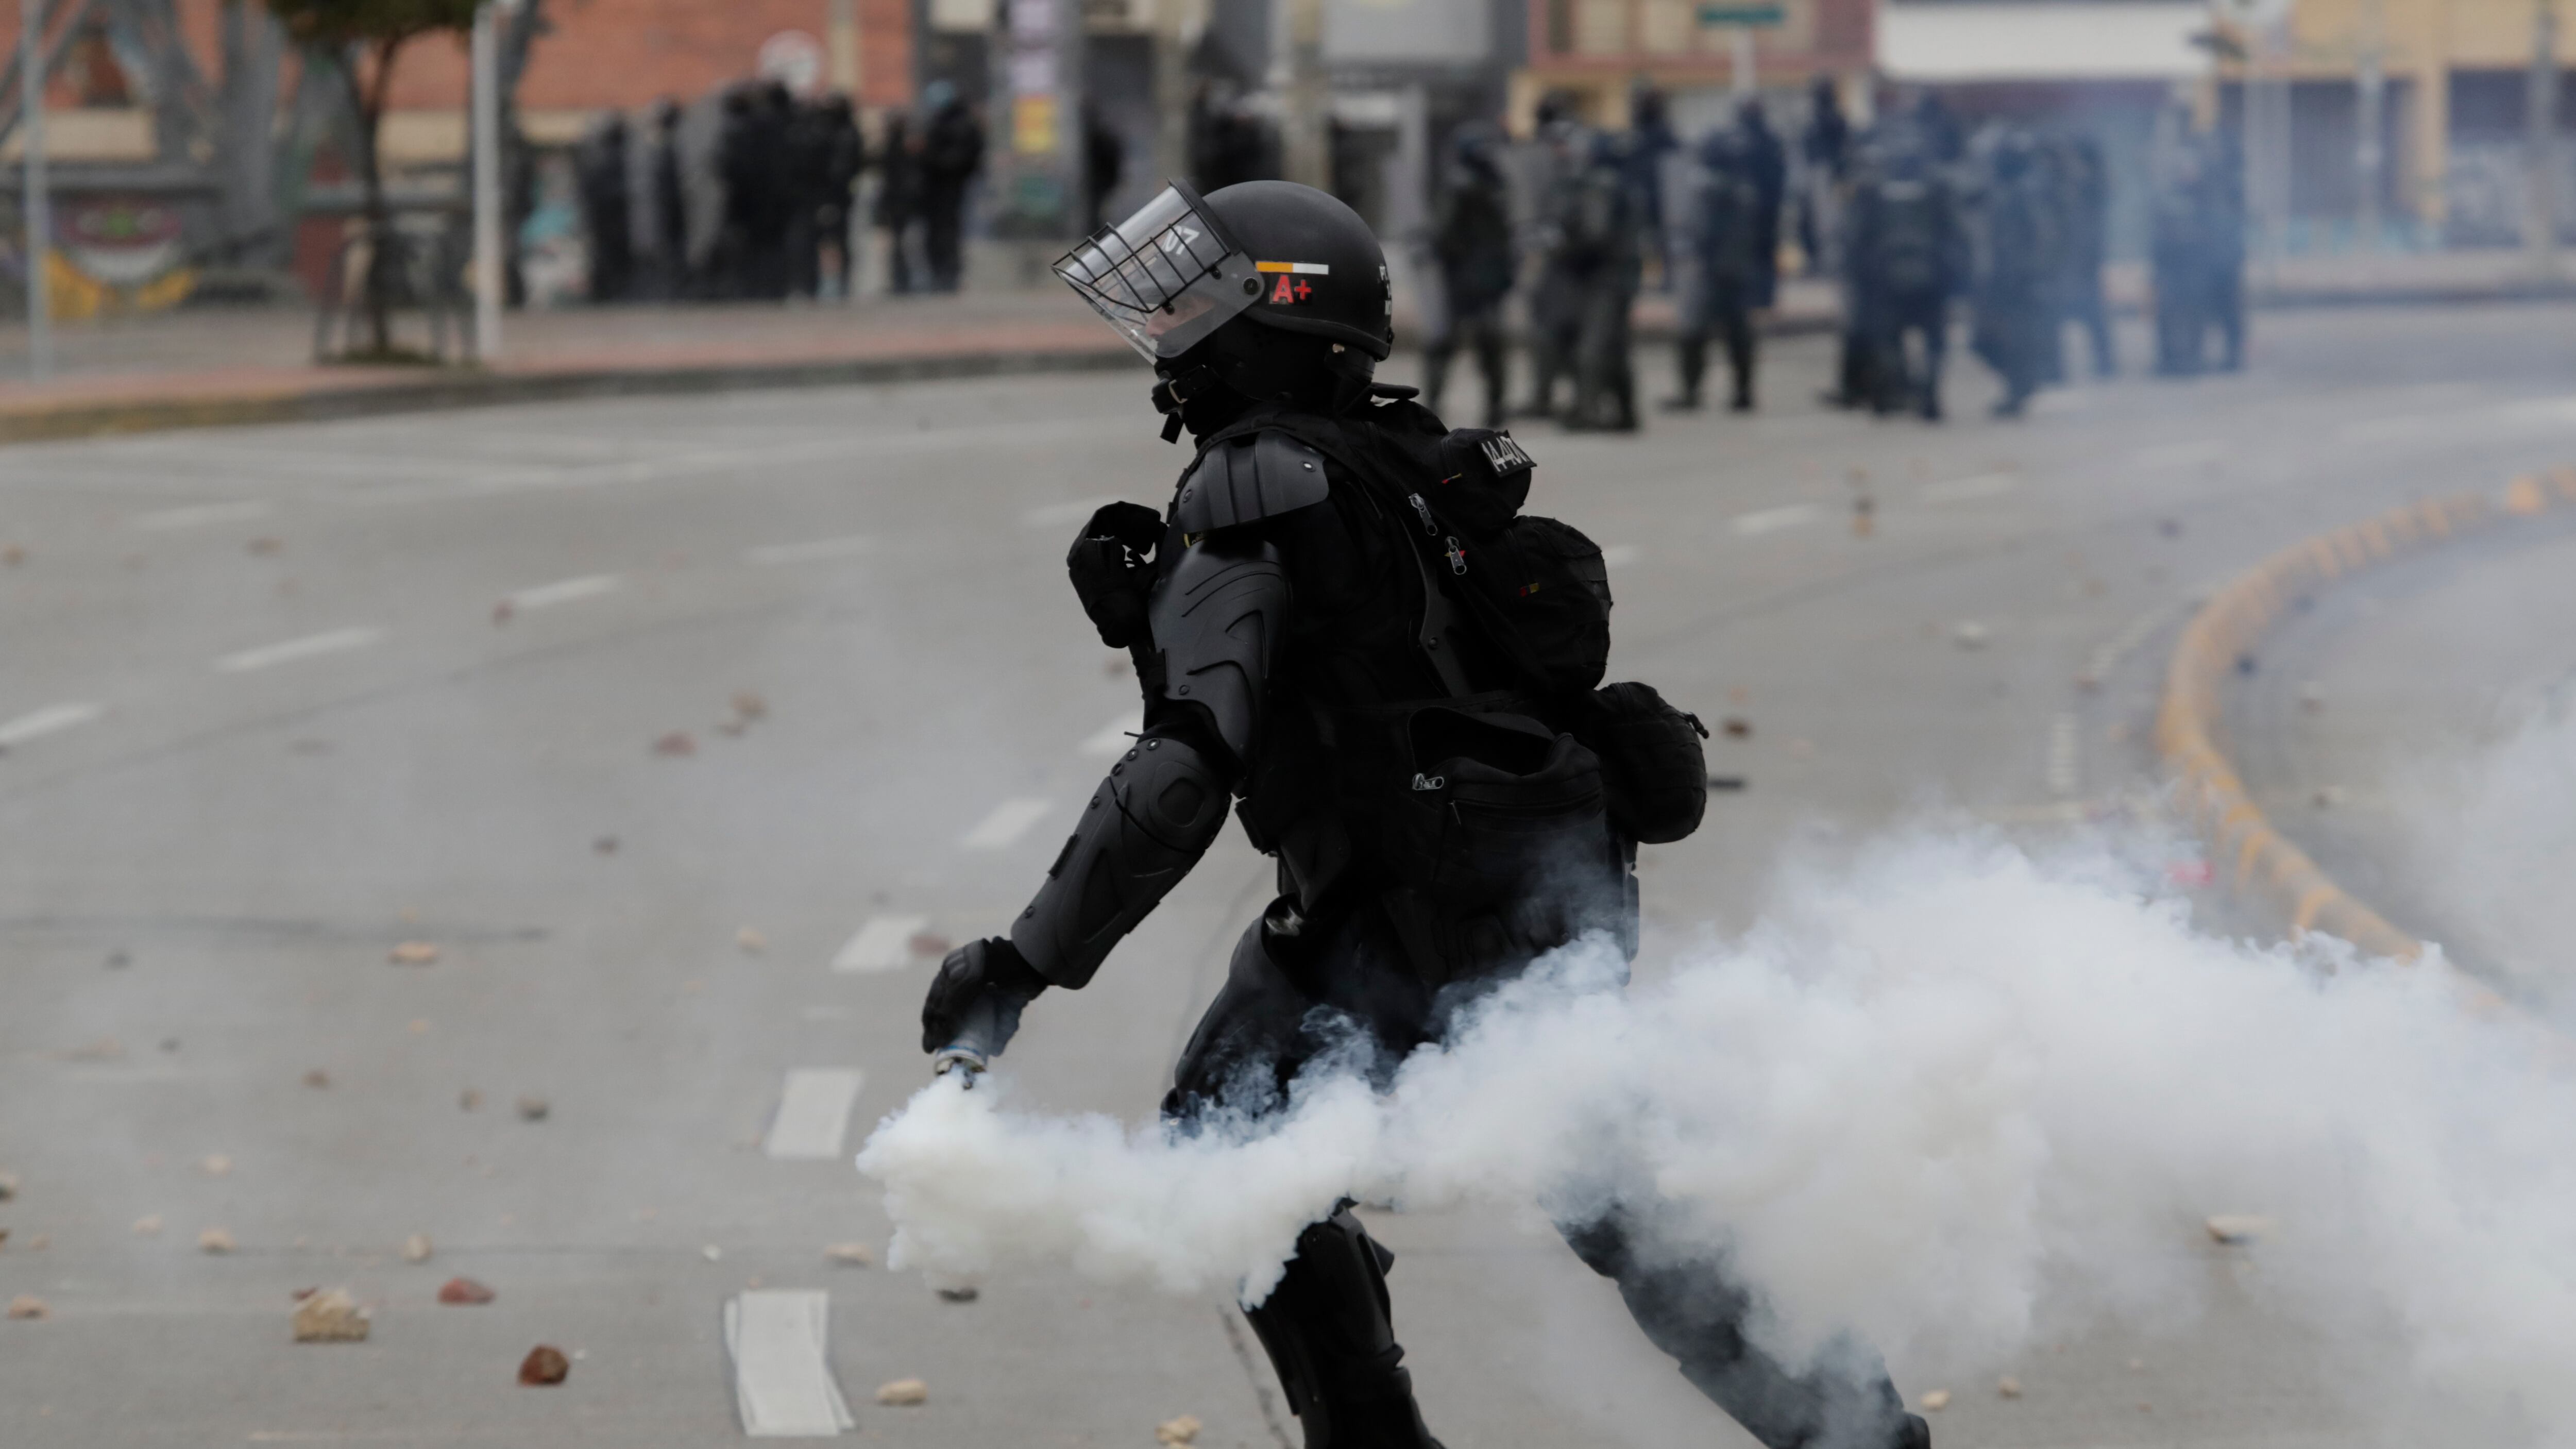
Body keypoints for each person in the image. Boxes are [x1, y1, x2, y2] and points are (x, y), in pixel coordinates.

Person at [924, 174, 1936, 1449]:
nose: (1167, 334)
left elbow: (1186, 768)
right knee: (1570, 1187)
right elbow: (1363, 671)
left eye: (1195, 305)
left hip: (1416, 908)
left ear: (1272, 319)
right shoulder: (1385, 453)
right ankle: (1857, 1433)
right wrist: (1152, 622)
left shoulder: (1250, 483)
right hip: (1517, 881)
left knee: (1261, 1149)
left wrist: (1022, 962)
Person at [1845, 138, 1958, 419]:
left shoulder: (1874, 193)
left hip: (1887, 280)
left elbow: (1858, 239)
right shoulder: (1937, 191)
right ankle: (1928, 394)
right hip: (1930, 278)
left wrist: (1860, 278)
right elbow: (1954, 236)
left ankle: (1897, 393)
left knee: (1887, 339)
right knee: (1934, 341)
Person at [1423, 122, 1515, 429]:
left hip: (1462, 281)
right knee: (1491, 346)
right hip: (1489, 281)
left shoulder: (1459, 185)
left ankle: (1433, 406)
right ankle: (1496, 407)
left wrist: (1437, 252)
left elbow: (1444, 234)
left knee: (1443, 345)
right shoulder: (1497, 184)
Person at [1666, 128, 1765, 413]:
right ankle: (1741, 392)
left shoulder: (1713, 186)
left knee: (1698, 333)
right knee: (1735, 335)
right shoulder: (1743, 186)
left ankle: (1694, 391)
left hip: (1714, 271)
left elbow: (1700, 229)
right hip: (1735, 269)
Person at [1974, 130, 2058, 417]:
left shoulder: (2027, 193)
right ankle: (2021, 385)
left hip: (2020, 282)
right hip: (2000, 280)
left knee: (2017, 341)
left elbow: (2043, 238)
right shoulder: (2001, 192)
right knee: (1985, 341)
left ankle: (2020, 389)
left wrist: (2029, 274)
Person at [1566, 130, 1645, 431]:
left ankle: (1588, 411)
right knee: (1616, 346)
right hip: (1623, 275)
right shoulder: (1627, 182)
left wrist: (1568, 254)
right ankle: (1626, 412)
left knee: (1593, 347)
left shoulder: (1601, 184)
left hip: (1604, 277)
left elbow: (1595, 233)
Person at [1519, 109, 1591, 420]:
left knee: (1575, 337)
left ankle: (1580, 399)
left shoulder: (1585, 178)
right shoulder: (1546, 174)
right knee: (1545, 335)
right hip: (1552, 270)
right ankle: (1544, 395)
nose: (1558, 149)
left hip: (1578, 271)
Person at [2054, 134, 2114, 377]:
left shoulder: (2090, 185)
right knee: (2066, 316)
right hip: (2072, 261)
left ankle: (2105, 364)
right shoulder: (2069, 185)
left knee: (2093, 316)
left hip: (2085, 261)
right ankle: (2058, 368)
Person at [918, 80, 987, 293]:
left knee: (948, 233)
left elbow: (961, 158)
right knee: (936, 234)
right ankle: (938, 276)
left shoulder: (961, 124)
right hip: (936, 189)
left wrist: (931, 159)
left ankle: (948, 277)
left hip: (952, 187)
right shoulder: (940, 122)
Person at [577, 113, 634, 302]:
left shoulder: (597, 156)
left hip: (607, 222)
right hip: (607, 221)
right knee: (606, 260)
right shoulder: (605, 159)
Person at [814, 95, 867, 299]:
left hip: (838, 194)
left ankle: (839, 281)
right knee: (830, 239)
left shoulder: (844, 133)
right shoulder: (834, 132)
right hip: (831, 193)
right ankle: (833, 281)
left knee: (836, 238)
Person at [874, 111, 922, 295]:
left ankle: (905, 281)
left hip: (902, 202)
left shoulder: (905, 146)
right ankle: (901, 281)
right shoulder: (898, 145)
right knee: (900, 244)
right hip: (899, 202)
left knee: (905, 243)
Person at [1083, 100, 1125, 235]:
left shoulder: (1100, 139)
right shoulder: (1105, 138)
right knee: (1099, 209)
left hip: (1101, 180)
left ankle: (1098, 233)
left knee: (1098, 210)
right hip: (1104, 180)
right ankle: (1098, 233)